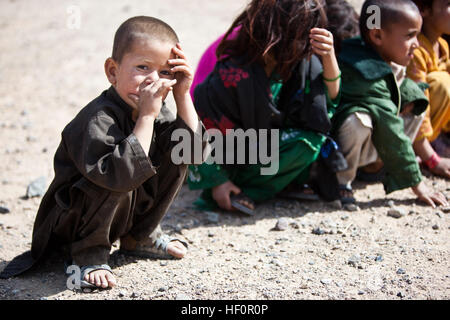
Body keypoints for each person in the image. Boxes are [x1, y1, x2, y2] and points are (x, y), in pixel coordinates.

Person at [0, 16, 207, 289]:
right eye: (143, 67)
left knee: (176, 152)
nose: (153, 82)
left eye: (165, 73)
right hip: (72, 223)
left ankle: (139, 237)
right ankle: (88, 253)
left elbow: (193, 154)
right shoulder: (97, 119)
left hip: (117, 214)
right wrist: (145, 118)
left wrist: (183, 94)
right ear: (112, 71)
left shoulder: (156, 109)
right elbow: (118, 177)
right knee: (122, 166)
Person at [188, 0, 344, 214]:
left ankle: (274, 185)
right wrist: (218, 182)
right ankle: (243, 191)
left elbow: (328, 102)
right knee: (305, 142)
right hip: (232, 160)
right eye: (297, 37)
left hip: (264, 151)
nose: (302, 46)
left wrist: (329, 57)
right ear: (274, 33)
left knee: (310, 140)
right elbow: (198, 131)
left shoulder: (297, 66)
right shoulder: (234, 74)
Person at [332, 0, 448, 207]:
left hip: (373, 139)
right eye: (410, 35)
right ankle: (341, 180)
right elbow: (390, 125)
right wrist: (416, 181)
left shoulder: (381, 51)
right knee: (358, 122)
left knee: (416, 101)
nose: (417, 43)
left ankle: (376, 166)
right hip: (340, 148)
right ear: (376, 36)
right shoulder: (365, 69)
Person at [406, 0, 450, 178]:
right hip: (414, 133)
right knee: (441, 83)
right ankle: (424, 151)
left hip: (437, 127)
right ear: (424, 10)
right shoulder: (415, 51)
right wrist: (433, 160)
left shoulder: (442, 45)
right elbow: (418, 107)